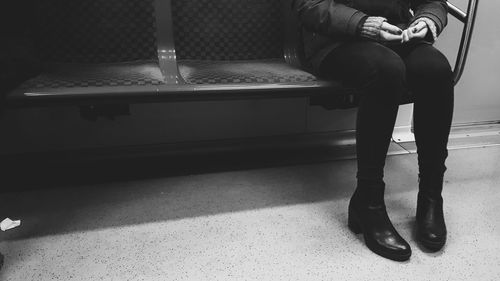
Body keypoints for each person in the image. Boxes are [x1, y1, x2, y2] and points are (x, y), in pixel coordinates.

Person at [292, 0, 452, 261]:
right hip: (336, 39)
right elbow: (309, 5)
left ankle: (431, 196)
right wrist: (364, 25)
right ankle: (368, 200)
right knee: (386, 69)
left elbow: (433, 2)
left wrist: (427, 20)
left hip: (398, 35)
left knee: (436, 70)